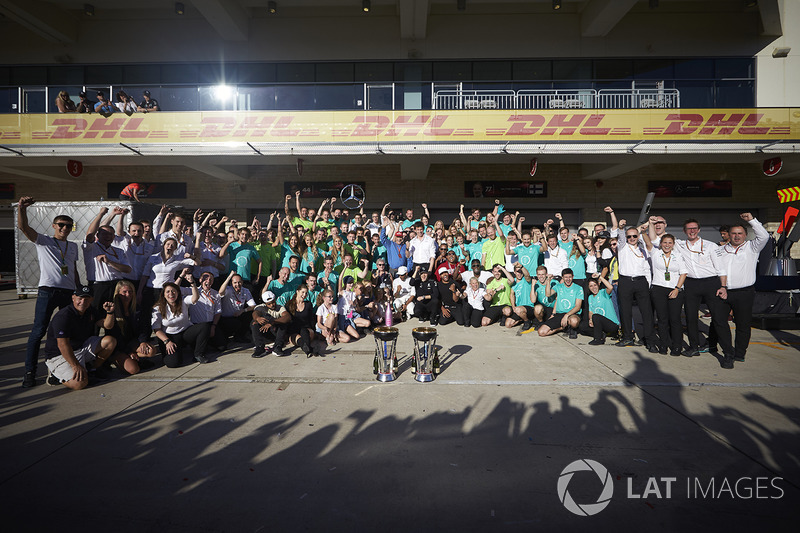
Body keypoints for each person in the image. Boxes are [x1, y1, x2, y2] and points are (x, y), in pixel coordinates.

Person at [18, 196, 81, 388]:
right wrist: (22, 208)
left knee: (65, 333)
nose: (65, 228)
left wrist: (77, 290)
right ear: (54, 226)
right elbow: (23, 228)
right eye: (61, 225)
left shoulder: (73, 246)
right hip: (48, 291)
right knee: (39, 331)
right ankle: (30, 372)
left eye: (69, 226)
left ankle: (57, 370)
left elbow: (73, 269)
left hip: (68, 292)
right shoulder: (43, 241)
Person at [712, 213, 770, 367]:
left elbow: (764, 236)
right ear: (728, 235)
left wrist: (751, 220)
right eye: (734, 233)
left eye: (740, 233)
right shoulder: (720, 250)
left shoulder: (752, 247)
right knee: (718, 321)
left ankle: (740, 352)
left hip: (744, 292)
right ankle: (728, 352)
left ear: (745, 235)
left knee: (743, 325)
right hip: (723, 291)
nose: (737, 236)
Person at [42, 286, 118, 390]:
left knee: (110, 341)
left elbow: (107, 325)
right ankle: (55, 376)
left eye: (86, 299)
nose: (83, 302)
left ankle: (92, 370)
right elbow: (62, 345)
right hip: (60, 355)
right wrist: (75, 365)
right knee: (80, 384)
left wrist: (110, 313)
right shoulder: (64, 316)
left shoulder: (90, 311)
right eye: (80, 298)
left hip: (80, 348)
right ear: (73, 298)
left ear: (91, 300)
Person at [677, 218, 729, 359]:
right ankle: (694, 347)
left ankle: (727, 352)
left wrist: (723, 286)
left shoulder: (711, 246)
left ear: (699, 230)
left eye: (694, 228)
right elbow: (659, 239)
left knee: (718, 319)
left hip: (711, 283)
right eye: (689, 229)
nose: (692, 231)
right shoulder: (679, 245)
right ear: (684, 231)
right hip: (691, 284)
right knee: (691, 318)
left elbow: (721, 269)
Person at [615, 224, 657, 351]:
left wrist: (648, 284)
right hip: (626, 281)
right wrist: (621, 228)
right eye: (629, 236)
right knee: (626, 311)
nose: (632, 238)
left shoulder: (642, 249)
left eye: (634, 236)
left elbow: (647, 267)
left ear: (638, 236)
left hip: (641, 281)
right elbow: (621, 237)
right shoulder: (622, 247)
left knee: (647, 312)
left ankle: (649, 340)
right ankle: (628, 337)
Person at [151, 279, 210, 367]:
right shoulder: (158, 308)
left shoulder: (183, 301)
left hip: (185, 332)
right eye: (168, 292)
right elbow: (157, 329)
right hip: (169, 337)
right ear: (163, 294)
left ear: (178, 293)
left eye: (173, 291)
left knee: (204, 326)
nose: (171, 294)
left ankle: (198, 354)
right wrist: (167, 342)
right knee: (173, 363)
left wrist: (193, 283)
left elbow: (195, 298)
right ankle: (170, 353)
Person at [647, 230, 687, 355]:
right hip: (659, 288)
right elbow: (648, 243)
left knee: (675, 319)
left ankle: (677, 346)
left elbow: (683, 273)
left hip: (675, 289)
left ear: (673, 244)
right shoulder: (656, 253)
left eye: (670, 243)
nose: (667, 245)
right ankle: (664, 345)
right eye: (665, 242)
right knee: (662, 319)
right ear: (661, 243)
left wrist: (677, 289)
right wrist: (644, 231)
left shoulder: (678, 255)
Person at [83, 207, 132, 308]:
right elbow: (90, 234)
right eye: (104, 234)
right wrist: (101, 214)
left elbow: (127, 269)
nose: (107, 236)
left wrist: (110, 262)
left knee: (118, 313)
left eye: (110, 234)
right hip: (98, 286)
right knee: (96, 313)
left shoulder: (118, 250)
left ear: (114, 237)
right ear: (98, 235)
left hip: (117, 286)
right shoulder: (91, 248)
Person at [106, 280, 155, 375]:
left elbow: (144, 328)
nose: (128, 294)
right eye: (124, 292)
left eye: (130, 291)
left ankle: (135, 358)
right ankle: (115, 359)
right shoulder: (113, 310)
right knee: (134, 369)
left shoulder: (137, 308)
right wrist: (128, 352)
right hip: (118, 346)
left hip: (131, 342)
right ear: (118, 293)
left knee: (151, 350)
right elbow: (114, 335)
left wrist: (143, 341)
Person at [217, 271, 258, 345]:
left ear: (242, 282)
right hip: (225, 318)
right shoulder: (228, 290)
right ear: (231, 283)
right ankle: (227, 336)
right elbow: (220, 292)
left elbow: (253, 305)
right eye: (235, 283)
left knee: (249, 315)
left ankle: (239, 336)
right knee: (235, 324)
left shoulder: (245, 291)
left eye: (239, 282)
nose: (237, 285)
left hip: (237, 315)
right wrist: (229, 277)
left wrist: (243, 310)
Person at [583, 276, 620, 345]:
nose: (593, 287)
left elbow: (610, 287)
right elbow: (590, 311)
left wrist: (600, 277)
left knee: (596, 316)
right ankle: (602, 334)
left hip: (611, 324)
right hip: (600, 325)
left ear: (598, 285)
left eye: (595, 285)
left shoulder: (603, 292)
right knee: (582, 326)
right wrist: (590, 319)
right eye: (591, 286)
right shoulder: (590, 297)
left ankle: (598, 339)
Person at [250, 291, 288, 358]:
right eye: (269, 304)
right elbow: (255, 313)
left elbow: (287, 317)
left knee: (283, 323)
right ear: (265, 304)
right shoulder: (261, 307)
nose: (272, 305)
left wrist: (272, 322)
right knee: (254, 322)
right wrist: (258, 318)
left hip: (275, 332)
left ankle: (278, 347)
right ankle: (260, 347)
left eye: (273, 302)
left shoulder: (280, 308)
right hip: (265, 332)